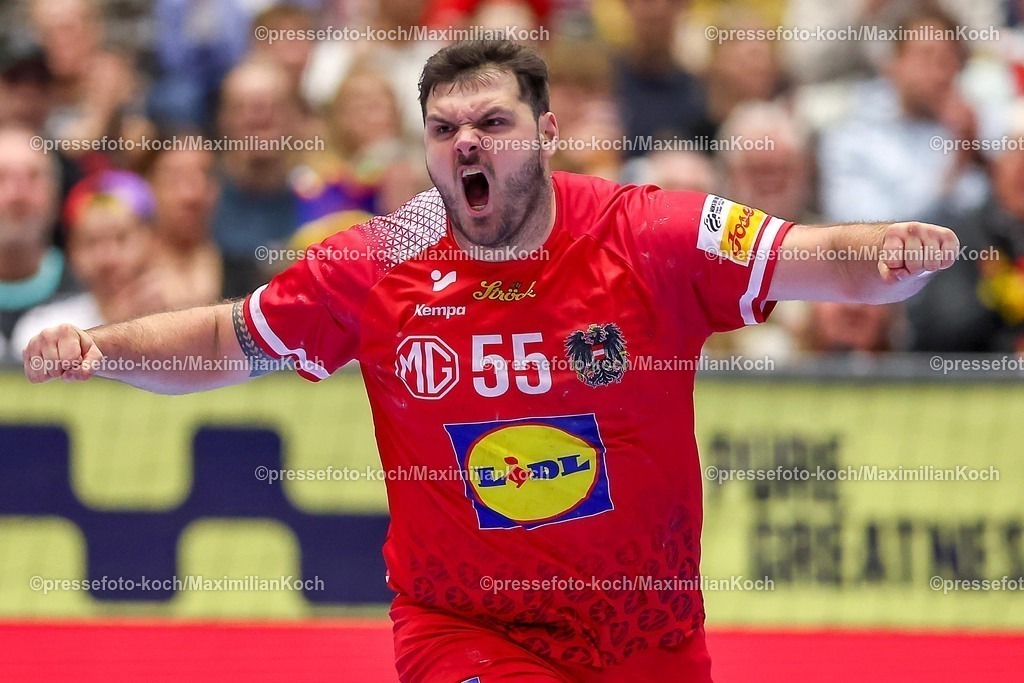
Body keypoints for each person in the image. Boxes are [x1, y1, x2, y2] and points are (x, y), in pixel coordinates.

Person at [23, 40, 959, 682]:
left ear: (546, 134)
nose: (466, 141)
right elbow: (227, 339)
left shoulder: (650, 233)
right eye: (444, 128)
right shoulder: (379, 261)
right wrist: (100, 348)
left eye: (493, 122)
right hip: (465, 626)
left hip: (646, 632)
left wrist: (892, 250)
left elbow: (817, 257)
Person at [11, 170, 163, 352]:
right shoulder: (44, 331)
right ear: (71, 252)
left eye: (121, 238)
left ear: (152, 240)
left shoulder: (183, 320)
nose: (108, 258)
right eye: (91, 242)